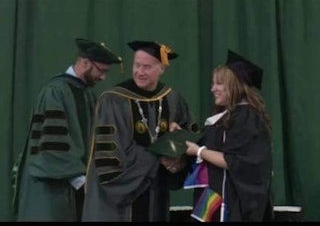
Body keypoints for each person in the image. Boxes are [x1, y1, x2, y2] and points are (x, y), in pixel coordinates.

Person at [82, 40, 197, 222]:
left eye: (147, 67)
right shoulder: (113, 100)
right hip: (118, 202)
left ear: (161, 69)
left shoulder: (173, 99)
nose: (139, 72)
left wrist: (177, 157)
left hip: (156, 194)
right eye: (136, 65)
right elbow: (109, 157)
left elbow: (190, 138)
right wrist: (157, 156)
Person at [11, 38, 122, 221]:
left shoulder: (88, 95)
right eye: (101, 71)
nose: (103, 77)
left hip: (77, 191)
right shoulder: (55, 92)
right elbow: (52, 146)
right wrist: (82, 181)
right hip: (49, 191)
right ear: (85, 63)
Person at [185, 49, 274, 222]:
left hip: (231, 201)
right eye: (213, 84)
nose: (213, 89)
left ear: (234, 84)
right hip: (211, 195)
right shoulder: (227, 116)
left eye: (218, 84)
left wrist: (199, 151)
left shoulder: (246, 117)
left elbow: (233, 160)